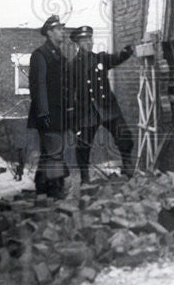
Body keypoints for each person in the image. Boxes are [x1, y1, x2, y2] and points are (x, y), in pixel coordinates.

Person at [68, 25, 137, 182]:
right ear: (77, 43)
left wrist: (127, 51)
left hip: (107, 108)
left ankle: (127, 166)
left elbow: (116, 58)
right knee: (83, 145)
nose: (89, 42)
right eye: (85, 40)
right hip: (87, 112)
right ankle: (85, 177)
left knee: (124, 135)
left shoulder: (100, 58)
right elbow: (68, 93)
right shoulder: (72, 65)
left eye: (90, 39)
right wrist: (72, 118)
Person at [27, 14, 72, 199]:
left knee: (49, 153)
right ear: (50, 32)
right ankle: (55, 190)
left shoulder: (58, 55)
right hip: (48, 113)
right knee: (54, 153)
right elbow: (39, 87)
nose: (63, 32)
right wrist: (45, 115)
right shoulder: (40, 55)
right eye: (60, 29)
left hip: (58, 112)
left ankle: (42, 187)